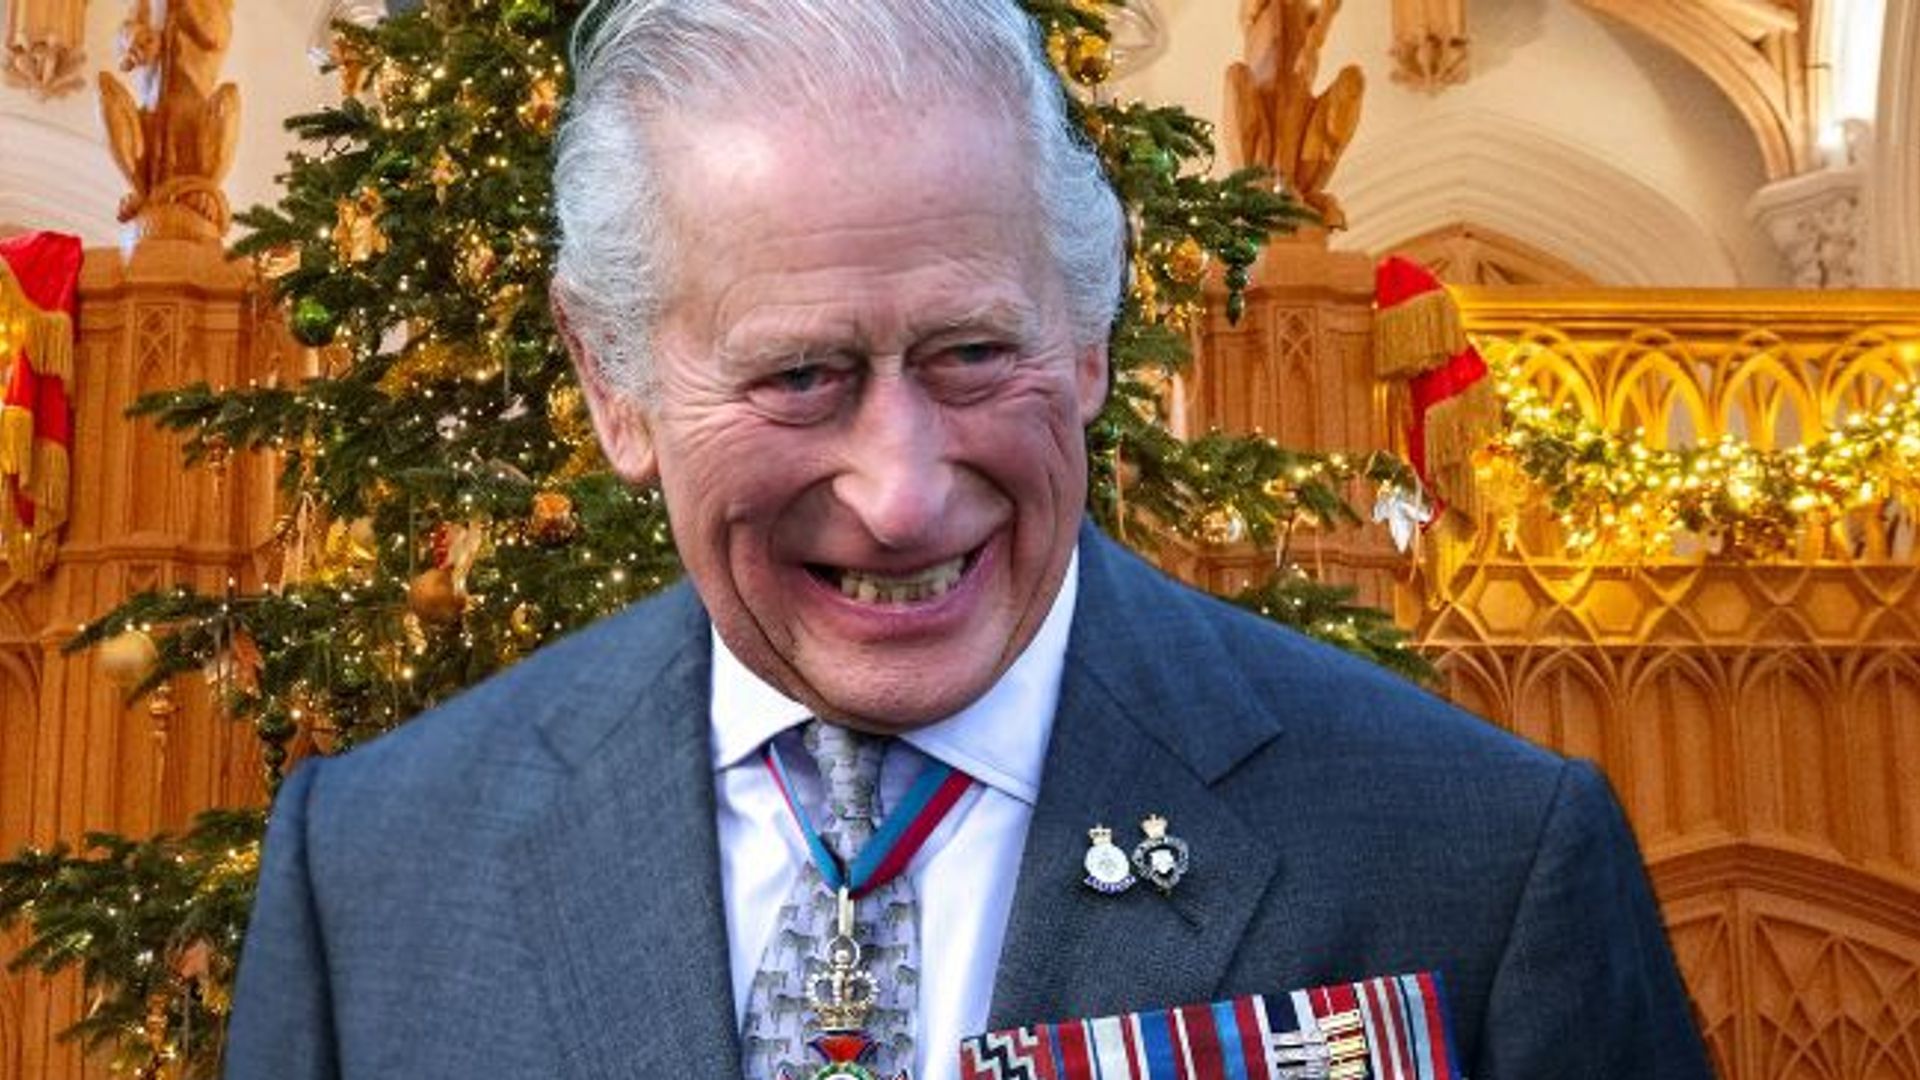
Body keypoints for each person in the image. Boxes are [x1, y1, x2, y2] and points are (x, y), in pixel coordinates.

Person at [223, 2, 1713, 1078]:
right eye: (800, 375)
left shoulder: (1476, 865)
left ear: (1084, 339)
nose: (905, 494)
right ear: (615, 378)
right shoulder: (378, 871)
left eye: (972, 354)